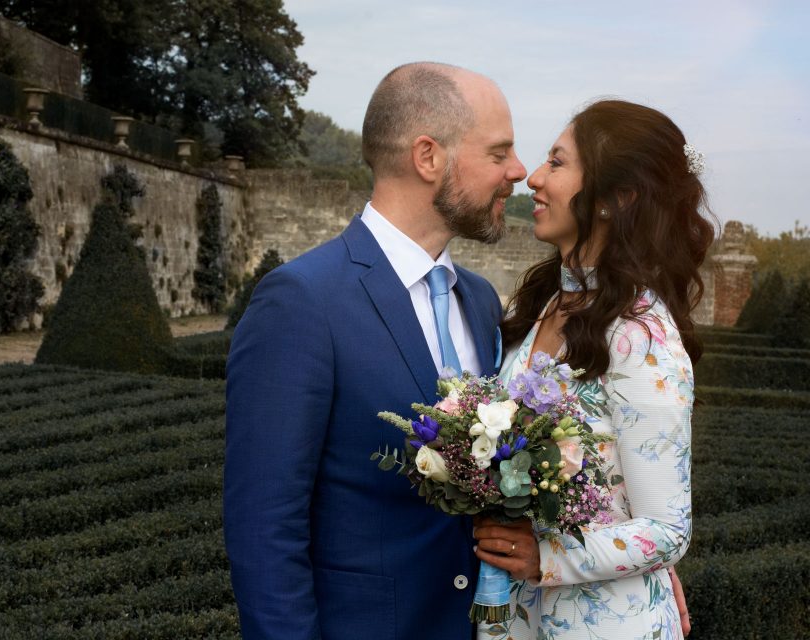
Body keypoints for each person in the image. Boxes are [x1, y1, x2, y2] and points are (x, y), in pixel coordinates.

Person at [224, 62, 526, 639]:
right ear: (428, 157)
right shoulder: (302, 301)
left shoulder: (482, 300)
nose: (518, 171)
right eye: (498, 153)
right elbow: (264, 530)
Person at [473, 99, 713, 639]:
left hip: (602, 624)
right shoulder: (531, 309)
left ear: (615, 199)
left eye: (557, 163)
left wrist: (547, 558)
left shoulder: (639, 335)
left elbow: (669, 529)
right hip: (513, 616)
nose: (533, 178)